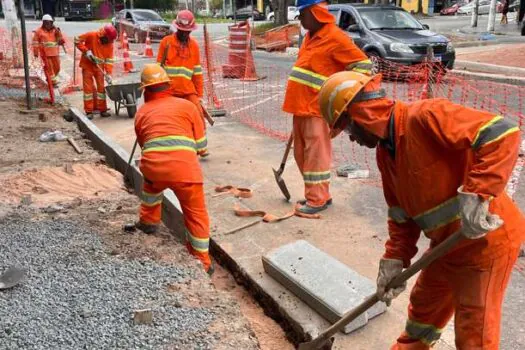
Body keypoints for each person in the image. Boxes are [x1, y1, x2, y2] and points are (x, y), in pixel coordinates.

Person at [319, 70, 525, 349]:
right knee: (423, 311)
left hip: (485, 243)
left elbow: (502, 132)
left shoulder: (426, 116)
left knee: (475, 332)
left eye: (347, 128)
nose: (351, 138)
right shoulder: (386, 154)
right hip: (447, 245)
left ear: (361, 113)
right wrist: (395, 259)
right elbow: (401, 215)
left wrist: (480, 192)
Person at [281, 0, 373, 214]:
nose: (300, 19)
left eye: (302, 14)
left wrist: (339, 95)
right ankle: (320, 194)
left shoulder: (336, 37)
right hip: (300, 106)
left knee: (316, 156)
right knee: (302, 156)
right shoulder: (309, 37)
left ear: (315, 13)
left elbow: (363, 67)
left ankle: (317, 200)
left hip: (317, 109)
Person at [133, 64, 212, 275]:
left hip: (154, 167)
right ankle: (202, 263)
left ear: (146, 90)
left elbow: (145, 146)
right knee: (196, 214)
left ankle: (149, 222)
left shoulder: (142, 113)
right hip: (186, 171)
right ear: (168, 85)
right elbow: (202, 146)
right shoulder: (187, 107)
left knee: (151, 188)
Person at [157, 11, 206, 136]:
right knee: (170, 122)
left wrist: (199, 96)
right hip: (169, 92)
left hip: (187, 91)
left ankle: (201, 147)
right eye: (182, 30)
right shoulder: (166, 43)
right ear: (177, 28)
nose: (184, 33)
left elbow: (197, 74)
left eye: (187, 31)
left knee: (198, 116)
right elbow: (158, 69)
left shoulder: (194, 46)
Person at [74, 24, 117, 119]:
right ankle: (89, 111)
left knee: (101, 89)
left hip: (99, 68)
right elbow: (76, 40)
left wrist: (109, 74)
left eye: (111, 40)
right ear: (103, 35)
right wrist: (86, 51)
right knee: (88, 90)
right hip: (87, 66)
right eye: (108, 39)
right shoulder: (92, 35)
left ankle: (103, 109)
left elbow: (109, 60)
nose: (109, 42)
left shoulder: (109, 44)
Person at [32, 14, 65, 87]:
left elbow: (61, 41)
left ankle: (50, 79)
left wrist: (59, 34)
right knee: (50, 69)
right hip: (45, 54)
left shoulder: (55, 30)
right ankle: (52, 83)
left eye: (50, 22)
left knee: (57, 68)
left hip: (55, 53)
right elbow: (35, 42)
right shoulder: (39, 31)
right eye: (47, 22)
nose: (48, 24)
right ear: (43, 23)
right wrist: (36, 52)